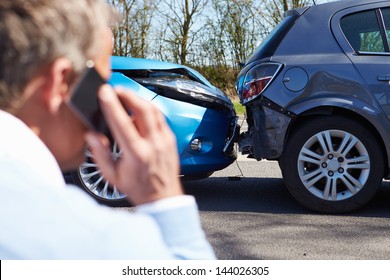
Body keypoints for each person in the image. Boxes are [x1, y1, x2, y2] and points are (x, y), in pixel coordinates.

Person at [0, 0, 215, 259]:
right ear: (61, 82)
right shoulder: (88, 239)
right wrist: (164, 197)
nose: (104, 101)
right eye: (98, 84)